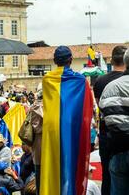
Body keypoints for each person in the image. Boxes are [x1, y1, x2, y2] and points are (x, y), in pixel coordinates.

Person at [40, 46, 93, 195]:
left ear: (55, 61)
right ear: (70, 60)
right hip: (72, 127)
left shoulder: (47, 80)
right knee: (70, 163)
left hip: (52, 127)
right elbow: (87, 107)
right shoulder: (81, 80)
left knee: (52, 163)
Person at [93, 45, 127, 195]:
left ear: (112, 61)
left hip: (111, 140)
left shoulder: (102, 82)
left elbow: (101, 110)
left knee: (107, 178)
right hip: (115, 141)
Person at [30, 89, 43, 195]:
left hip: (44, 149)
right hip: (40, 149)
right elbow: (37, 128)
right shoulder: (37, 107)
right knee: (40, 177)